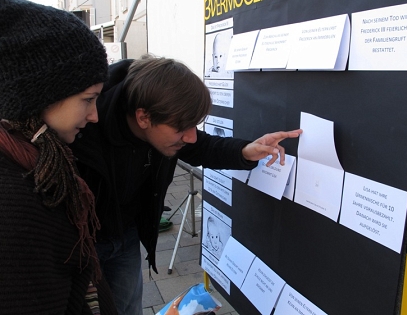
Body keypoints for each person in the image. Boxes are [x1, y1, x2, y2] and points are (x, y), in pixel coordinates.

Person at [70, 53, 302, 315]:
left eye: (194, 125)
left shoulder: (163, 120)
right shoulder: (80, 132)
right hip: (78, 244)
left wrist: (246, 151)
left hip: (126, 236)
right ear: (143, 117)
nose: (191, 137)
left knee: (127, 309)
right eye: (182, 128)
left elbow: (203, 146)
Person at [0, 0, 117, 314]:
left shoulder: (35, 158)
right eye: (87, 99)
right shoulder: (14, 203)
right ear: (41, 96)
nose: (94, 115)